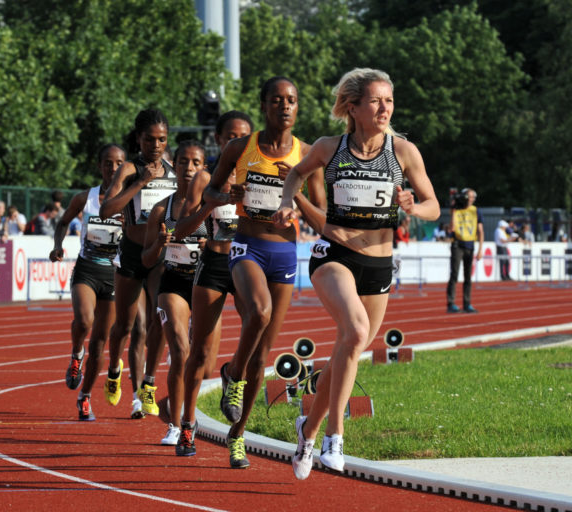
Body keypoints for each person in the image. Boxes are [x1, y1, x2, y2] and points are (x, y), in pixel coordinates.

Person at [273, 67, 440, 480]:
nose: (385, 109)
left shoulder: (403, 152)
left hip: (379, 264)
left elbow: (434, 204)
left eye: (390, 101)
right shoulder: (331, 148)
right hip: (334, 254)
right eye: (376, 101)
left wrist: (412, 206)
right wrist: (286, 201)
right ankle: (335, 437)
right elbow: (296, 172)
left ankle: (306, 430)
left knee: (351, 347)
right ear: (353, 107)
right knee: (354, 331)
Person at [203, 77, 326, 468]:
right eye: (277, 100)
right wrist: (228, 197)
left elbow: (323, 219)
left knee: (263, 357)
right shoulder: (242, 148)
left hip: (285, 253)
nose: (285, 106)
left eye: (292, 100)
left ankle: (237, 434)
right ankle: (232, 372)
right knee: (259, 312)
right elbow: (211, 193)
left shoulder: (308, 155)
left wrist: (298, 196)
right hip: (247, 245)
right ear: (264, 105)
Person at [174, 110, 253, 455]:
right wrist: (211, 203)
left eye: (246, 137)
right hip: (216, 264)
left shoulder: (260, 175)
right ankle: (187, 426)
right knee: (200, 352)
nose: (239, 142)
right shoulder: (204, 178)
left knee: (256, 346)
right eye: (232, 137)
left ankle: (238, 433)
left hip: (250, 263)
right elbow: (181, 230)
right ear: (220, 140)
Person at [100, 108, 175, 419]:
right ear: (139, 138)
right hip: (132, 251)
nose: (155, 146)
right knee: (123, 325)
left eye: (161, 140)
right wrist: (140, 183)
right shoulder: (129, 169)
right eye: (149, 139)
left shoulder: (173, 170)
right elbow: (107, 209)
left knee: (158, 318)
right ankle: (115, 370)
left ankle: (148, 383)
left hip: (160, 254)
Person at [49, 143, 126, 421]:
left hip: (115, 274)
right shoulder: (86, 197)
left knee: (101, 343)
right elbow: (62, 222)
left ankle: (85, 397)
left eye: (119, 163)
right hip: (87, 270)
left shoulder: (131, 200)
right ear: (99, 166)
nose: (113, 168)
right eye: (108, 163)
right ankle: (75, 353)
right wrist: (58, 246)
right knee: (83, 322)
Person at [140, 140, 209, 445]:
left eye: (196, 163)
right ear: (175, 166)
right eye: (183, 162)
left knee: (202, 359)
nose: (189, 169)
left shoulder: (214, 206)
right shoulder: (161, 208)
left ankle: (179, 409)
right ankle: (176, 424)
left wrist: (215, 248)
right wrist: (160, 244)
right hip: (174, 283)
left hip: (206, 283)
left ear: (203, 168)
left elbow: (233, 245)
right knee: (180, 350)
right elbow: (146, 258)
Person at [446, 188, 483, 313]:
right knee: (454, 274)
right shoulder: (456, 209)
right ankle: (451, 303)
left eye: (472, 197)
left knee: (468, 276)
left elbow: (480, 230)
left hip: (470, 245)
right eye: (468, 197)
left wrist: (480, 249)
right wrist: (453, 211)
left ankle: (467, 303)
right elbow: (452, 228)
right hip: (457, 244)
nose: (470, 199)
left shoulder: (476, 211)